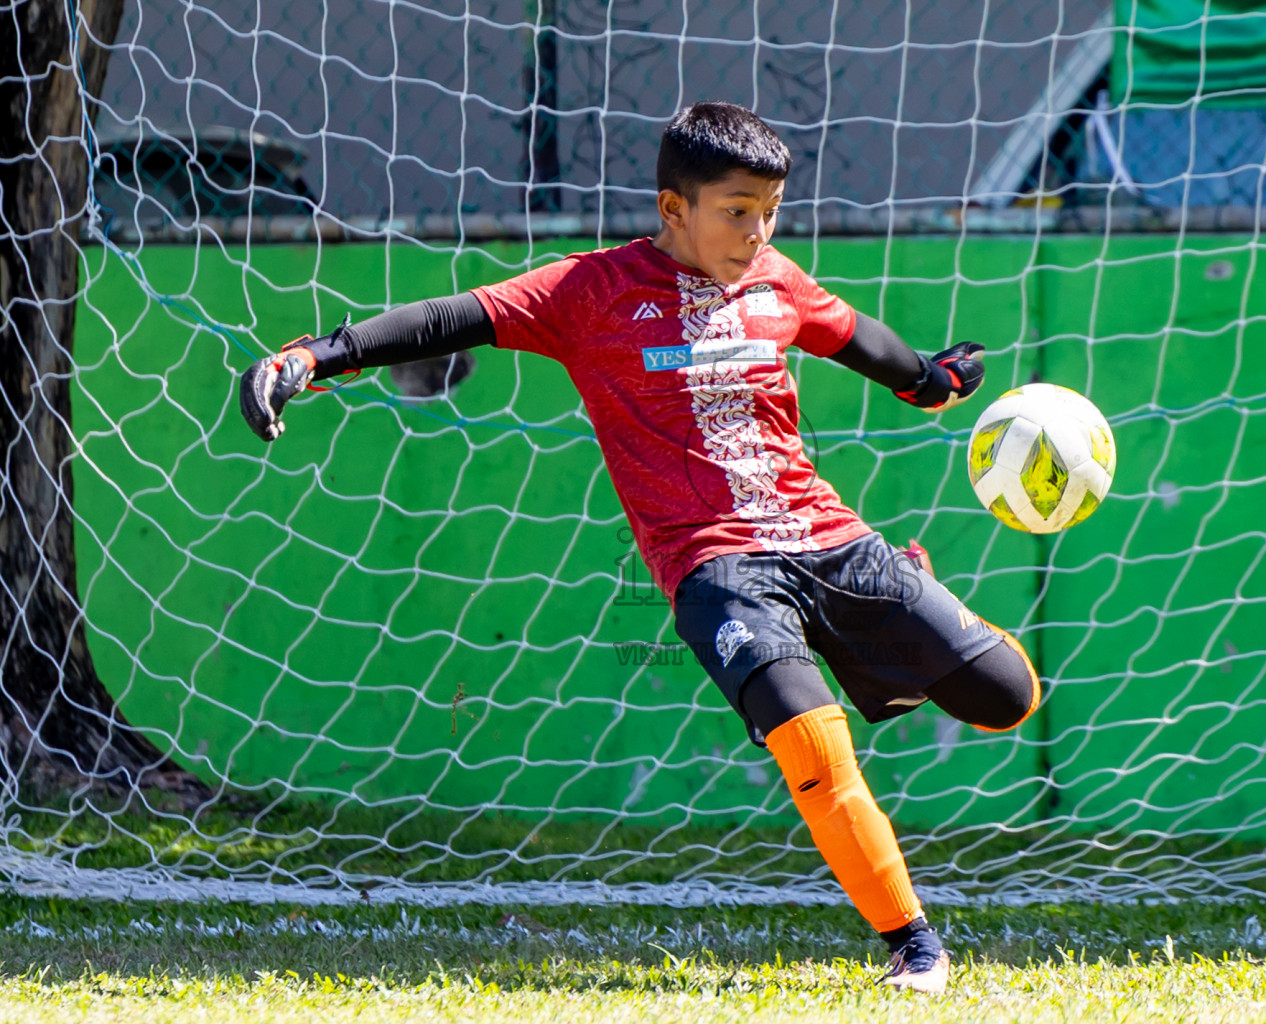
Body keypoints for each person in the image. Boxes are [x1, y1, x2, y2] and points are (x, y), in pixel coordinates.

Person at [239, 101, 1040, 994]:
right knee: (815, 749)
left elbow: (854, 335)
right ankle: (916, 948)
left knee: (1007, 698)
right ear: (673, 209)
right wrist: (312, 356)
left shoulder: (775, 279)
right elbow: (447, 319)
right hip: (716, 569)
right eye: (736, 210)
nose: (756, 230)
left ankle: (897, 597)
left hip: (830, 540)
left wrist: (931, 381)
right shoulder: (590, 293)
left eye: (770, 210)